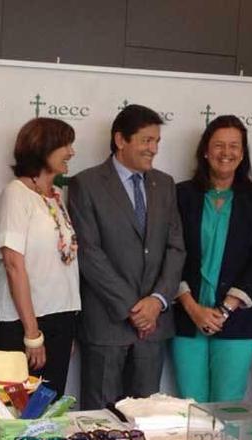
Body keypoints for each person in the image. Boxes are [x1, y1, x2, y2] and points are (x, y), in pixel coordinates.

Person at [68, 104, 185, 410]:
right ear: (121, 140)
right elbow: (89, 252)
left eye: (157, 141)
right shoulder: (86, 183)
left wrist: (156, 301)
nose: (154, 149)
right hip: (108, 323)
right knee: (99, 421)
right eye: (147, 140)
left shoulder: (165, 184)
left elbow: (175, 248)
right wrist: (132, 308)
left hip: (153, 326)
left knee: (144, 420)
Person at [172, 115, 252, 403]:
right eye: (218, 145)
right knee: (191, 403)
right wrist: (192, 307)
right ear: (205, 150)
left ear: (243, 153)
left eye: (234, 146)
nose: (225, 153)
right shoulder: (181, 194)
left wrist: (226, 310)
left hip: (238, 319)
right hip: (186, 316)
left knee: (227, 403)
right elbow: (170, 252)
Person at [0, 118, 81, 396]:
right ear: (42, 147)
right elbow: (14, 265)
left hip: (58, 318)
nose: (72, 152)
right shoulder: (16, 194)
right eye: (65, 144)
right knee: (19, 417)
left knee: (49, 415)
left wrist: (66, 328)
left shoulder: (56, 196)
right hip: (22, 323)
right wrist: (32, 334)